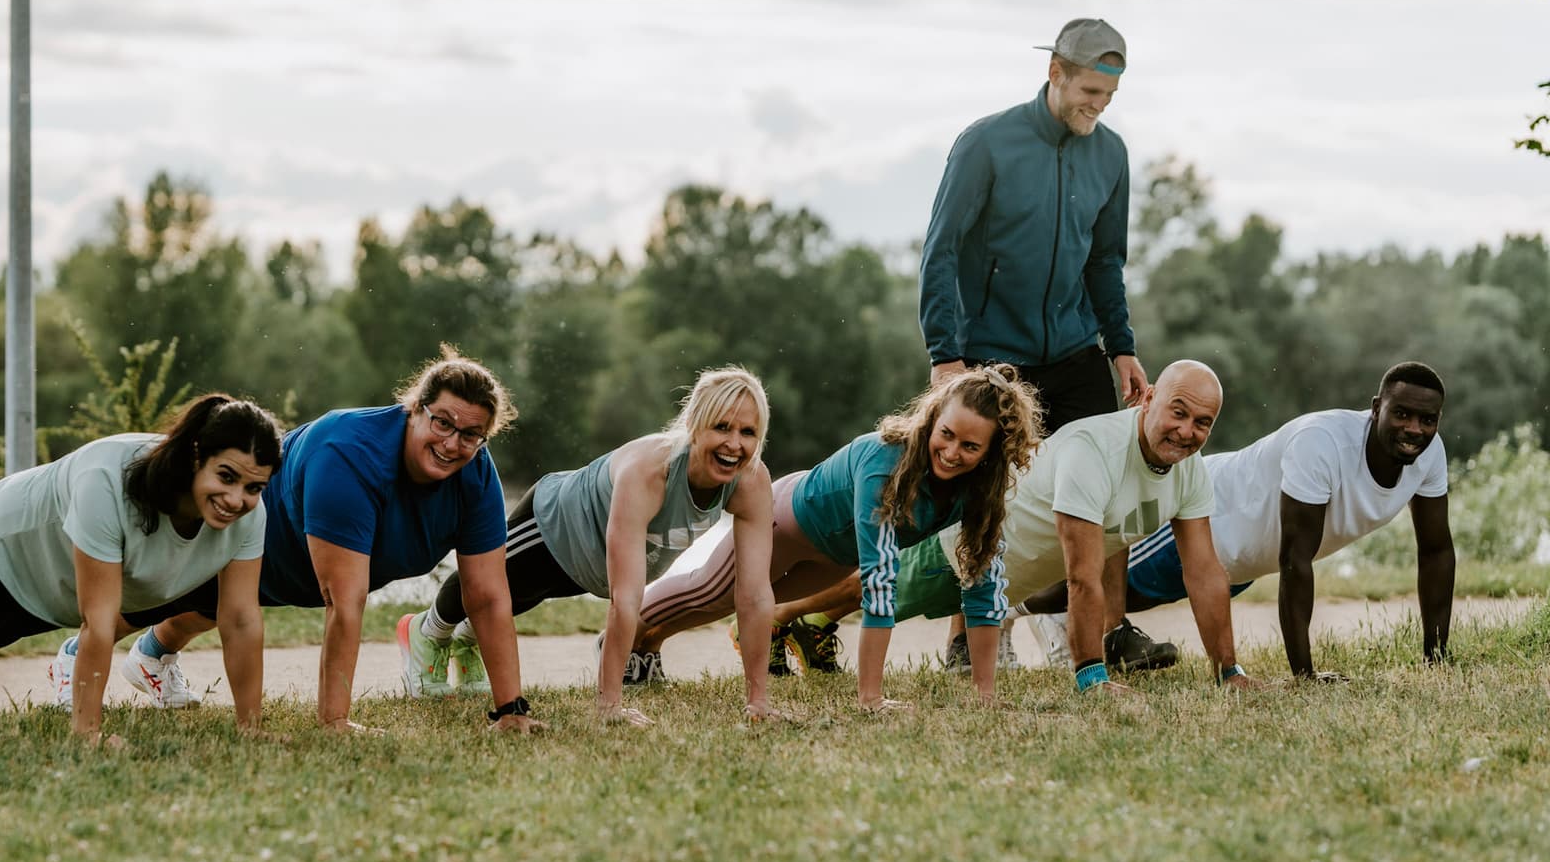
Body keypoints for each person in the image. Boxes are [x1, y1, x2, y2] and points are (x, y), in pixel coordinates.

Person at [125, 348, 544, 735]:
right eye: (443, 423)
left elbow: (488, 597)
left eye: (472, 435)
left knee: (213, 607)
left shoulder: (477, 475)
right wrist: (335, 721)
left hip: (302, 571)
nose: (453, 444)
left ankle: (152, 655)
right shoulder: (350, 451)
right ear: (414, 409)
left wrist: (511, 710)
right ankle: (77, 657)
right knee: (171, 595)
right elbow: (345, 602)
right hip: (255, 535)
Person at [918, 17, 1156, 672]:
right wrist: (946, 355)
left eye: (1107, 97)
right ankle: (967, 637)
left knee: (1106, 485)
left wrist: (1122, 347)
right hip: (994, 352)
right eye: (1087, 91)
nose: (1096, 107)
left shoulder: (1111, 155)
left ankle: (1111, 631)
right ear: (1054, 72)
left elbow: (1106, 263)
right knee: (991, 494)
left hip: (1078, 346)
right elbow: (940, 253)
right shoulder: (986, 144)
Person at [0, 395, 282, 743]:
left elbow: (241, 619)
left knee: (16, 623)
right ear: (196, 455)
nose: (237, 499)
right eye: (226, 476)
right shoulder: (110, 482)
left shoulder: (249, 516)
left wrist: (251, 727)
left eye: (254, 487)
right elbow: (100, 623)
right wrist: (88, 734)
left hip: (59, 572)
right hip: (12, 535)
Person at [625, 366, 1044, 707]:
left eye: (970, 447)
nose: (953, 452)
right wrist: (871, 699)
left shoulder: (981, 492)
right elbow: (880, 578)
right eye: (947, 434)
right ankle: (620, 637)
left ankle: (644, 648)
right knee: (708, 593)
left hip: (833, 558)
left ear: (991, 452)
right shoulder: (886, 460)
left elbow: (984, 586)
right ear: (933, 418)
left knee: (724, 606)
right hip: (786, 523)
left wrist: (985, 695)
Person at [396, 368, 779, 727]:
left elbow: (755, 596)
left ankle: (466, 642)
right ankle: (428, 632)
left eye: (748, 432)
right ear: (695, 426)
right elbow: (626, 600)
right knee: (488, 585)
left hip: (593, 563)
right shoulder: (651, 472)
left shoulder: (750, 481)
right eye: (722, 427)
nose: (734, 444)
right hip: (554, 523)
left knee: (527, 596)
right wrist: (610, 707)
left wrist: (758, 701)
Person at [1022, 362, 1454, 679]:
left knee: (1135, 598)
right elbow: (1295, 561)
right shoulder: (1322, 443)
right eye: (1401, 414)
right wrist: (1304, 676)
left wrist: (1436, 657)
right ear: (1377, 407)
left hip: (1246, 557)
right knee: (1086, 583)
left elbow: (1436, 551)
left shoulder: (1428, 455)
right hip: (1210, 514)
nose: (1414, 429)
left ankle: (1059, 618)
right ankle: (1007, 607)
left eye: (1427, 420)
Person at [882, 361, 1256, 695]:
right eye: (1178, 413)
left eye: (1202, 423)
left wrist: (1229, 672)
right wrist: (1092, 678)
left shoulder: (1189, 471)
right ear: (1149, 398)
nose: (1186, 431)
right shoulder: (1095, 449)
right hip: (959, 553)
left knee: (863, 592)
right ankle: (819, 617)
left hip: (1009, 583)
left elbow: (1204, 573)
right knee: (862, 592)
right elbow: (1083, 578)